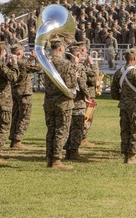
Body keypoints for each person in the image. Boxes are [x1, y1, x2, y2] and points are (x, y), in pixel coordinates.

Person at [43, 39, 76, 168]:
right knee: (61, 130)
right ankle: (56, 159)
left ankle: (50, 159)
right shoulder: (66, 64)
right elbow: (71, 84)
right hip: (63, 102)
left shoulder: (47, 63)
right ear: (61, 49)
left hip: (49, 101)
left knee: (51, 130)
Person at [65, 42, 97, 162]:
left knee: (68, 127)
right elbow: (88, 81)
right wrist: (88, 95)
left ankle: (68, 151)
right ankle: (74, 152)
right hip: (78, 101)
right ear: (77, 55)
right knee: (77, 127)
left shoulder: (65, 67)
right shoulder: (79, 67)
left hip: (68, 101)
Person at [9, 44, 42, 149]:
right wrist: (36, 58)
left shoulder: (10, 62)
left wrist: (30, 58)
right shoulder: (22, 63)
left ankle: (13, 138)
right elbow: (38, 67)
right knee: (24, 117)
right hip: (24, 93)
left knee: (16, 115)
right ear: (19, 52)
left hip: (14, 92)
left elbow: (24, 65)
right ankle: (17, 140)